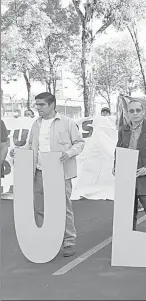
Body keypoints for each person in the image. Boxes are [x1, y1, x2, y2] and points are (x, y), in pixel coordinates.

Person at [12, 92, 85, 257]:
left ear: (52, 105)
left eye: (42, 105)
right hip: (39, 172)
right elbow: (30, 145)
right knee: (40, 208)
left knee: (63, 208)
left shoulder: (67, 122)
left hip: (60, 173)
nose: (38, 108)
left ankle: (68, 242)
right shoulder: (36, 124)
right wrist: (18, 151)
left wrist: (70, 152)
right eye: (37, 105)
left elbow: (79, 143)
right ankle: (46, 241)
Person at [113, 99, 146, 262]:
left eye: (137, 110)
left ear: (143, 112)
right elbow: (119, 149)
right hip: (127, 178)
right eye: (131, 111)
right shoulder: (123, 130)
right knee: (128, 214)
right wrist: (116, 165)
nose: (134, 113)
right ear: (127, 113)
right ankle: (128, 244)